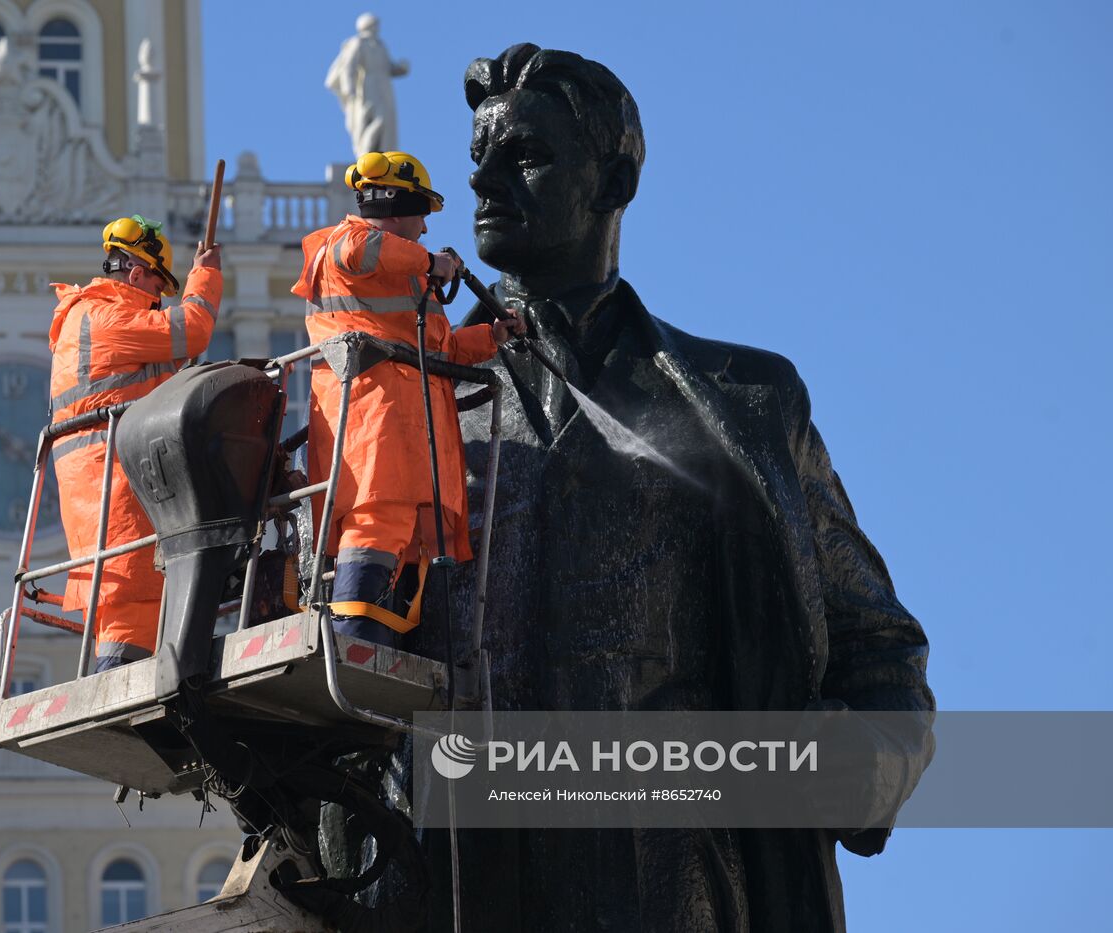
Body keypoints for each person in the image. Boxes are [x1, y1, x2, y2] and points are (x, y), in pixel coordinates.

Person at [337, 46, 936, 931]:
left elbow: (882, 659)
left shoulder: (750, 403)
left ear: (614, 179)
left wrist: (849, 767)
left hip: (684, 884)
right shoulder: (399, 402)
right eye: (478, 163)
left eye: (525, 157)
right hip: (454, 881)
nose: (484, 186)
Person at [292, 150, 525, 647]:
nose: (423, 229)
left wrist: (495, 335)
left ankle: (377, 641)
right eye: (420, 215)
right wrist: (433, 263)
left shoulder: (404, 280)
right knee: (376, 525)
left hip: (412, 438)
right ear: (396, 207)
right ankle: (352, 641)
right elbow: (361, 251)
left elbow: (440, 349)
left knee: (405, 540)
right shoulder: (344, 245)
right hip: (375, 428)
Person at [48, 215, 222, 672]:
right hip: (115, 477)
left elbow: (169, 357)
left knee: (128, 604)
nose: (159, 299)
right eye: (158, 287)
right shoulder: (102, 315)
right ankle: (116, 694)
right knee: (132, 600)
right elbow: (192, 330)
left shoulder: (99, 318)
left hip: (107, 475)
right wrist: (205, 274)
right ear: (136, 272)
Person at [325, 14, 409, 157]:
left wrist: (401, 69)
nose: (377, 27)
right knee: (368, 120)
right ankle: (366, 153)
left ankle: (383, 154)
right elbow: (349, 67)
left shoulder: (380, 45)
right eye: (374, 24)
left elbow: (388, 67)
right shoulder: (358, 43)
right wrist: (349, 89)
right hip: (367, 87)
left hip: (384, 87)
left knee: (386, 121)